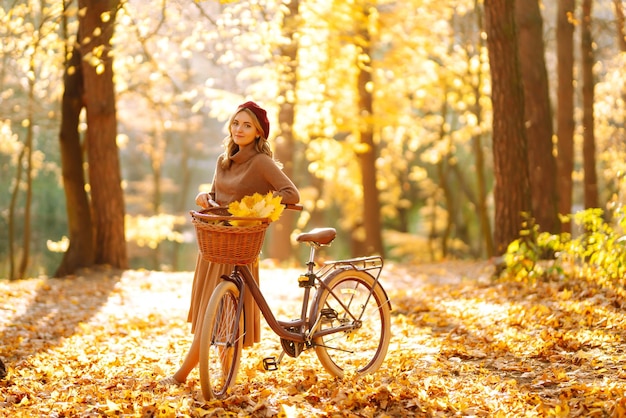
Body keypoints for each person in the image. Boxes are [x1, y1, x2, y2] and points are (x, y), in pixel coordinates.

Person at [160, 101, 300, 386]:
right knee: (213, 316)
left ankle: (183, 375)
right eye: (236, 123)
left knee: (224, 316)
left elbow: (291, 193)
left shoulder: (261, 162)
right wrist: (204, 196)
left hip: (239, 244)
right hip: (214, 243)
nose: (239, 129)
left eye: (247, 125)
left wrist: (257, 207)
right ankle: (227, 378)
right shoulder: (223, 160)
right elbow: (215, 195)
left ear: (259, 133)